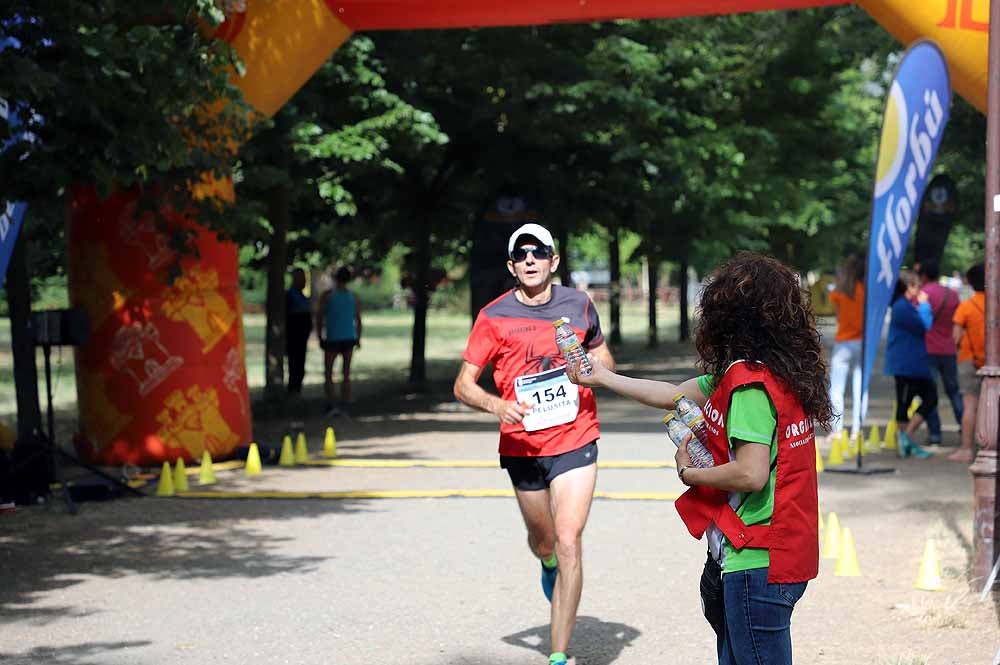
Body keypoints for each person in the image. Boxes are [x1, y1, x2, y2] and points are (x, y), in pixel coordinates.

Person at [569, 252, 827, 665]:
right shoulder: (774, 374)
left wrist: (690, 473)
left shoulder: (748, 387)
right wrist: (600, 377)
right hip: (778, 555)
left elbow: (751, 473)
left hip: (756, 561)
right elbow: (672, 394)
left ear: (726, 316)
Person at [453, 222, 614, 665]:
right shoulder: (493, 315)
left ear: (553, 261)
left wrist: (591, 367)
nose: (530, 259)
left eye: (538, 252)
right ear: (511, 265)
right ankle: (546, 565)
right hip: (522, 447)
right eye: (521, 254)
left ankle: (558, 655)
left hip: (575, 435)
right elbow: (463, 385)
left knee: (568, 540)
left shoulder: (579, 305)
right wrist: (496, 405)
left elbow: (603, 358)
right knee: (544, 542)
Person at [885, 271, 935, 458]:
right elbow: (924, 326)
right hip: (906, 364)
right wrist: (924, 306)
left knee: (928, 398)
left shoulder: (903, 306)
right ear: (908, 287)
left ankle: (905, 437)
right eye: (916, 286)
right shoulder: (902, 307)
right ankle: (904, 439)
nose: (919, 290)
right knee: (906, 402)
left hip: (913, 363)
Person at [916, 259, 962, 444]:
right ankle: (964, 428)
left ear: (924, 275)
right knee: (954, 391)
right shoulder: (952, 294)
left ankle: (935, 433)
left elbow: (917, 319)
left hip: (928, 348)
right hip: (949, 349)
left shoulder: (923, 294)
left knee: (930, 393)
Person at [826, 253, 866, 443]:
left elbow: (837, 312)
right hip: (862, 342)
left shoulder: (840, 291)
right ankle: (857, 431)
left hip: (844, 341)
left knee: (836, 388)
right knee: (860, 387)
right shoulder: (866, 291)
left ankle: (837, 430)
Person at [949, 263, 986, 464]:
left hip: (969, 360)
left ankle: (966, 449)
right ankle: (989, 447)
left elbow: (955, 336)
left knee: (970, 406)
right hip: (993, 361)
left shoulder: (967, 306)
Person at [317, 267, 362, 417]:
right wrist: (358, 338)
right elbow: (358, 320)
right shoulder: (353, 297)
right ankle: (345, 405)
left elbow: (319, 317)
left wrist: (319, 336)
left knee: (329, 373)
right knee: (346, 374)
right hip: (349, 338)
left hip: (333, 338)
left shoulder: (327, 296)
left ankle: (332, 405)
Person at [285, 268, 312, 395]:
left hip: (302, 338)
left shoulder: (303, 297)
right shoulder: (289, 296)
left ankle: (297, 390)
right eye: (302, 279)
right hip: (293, 337)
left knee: (300, 366)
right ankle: (293, 390)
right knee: (294, 365)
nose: (304, 282)